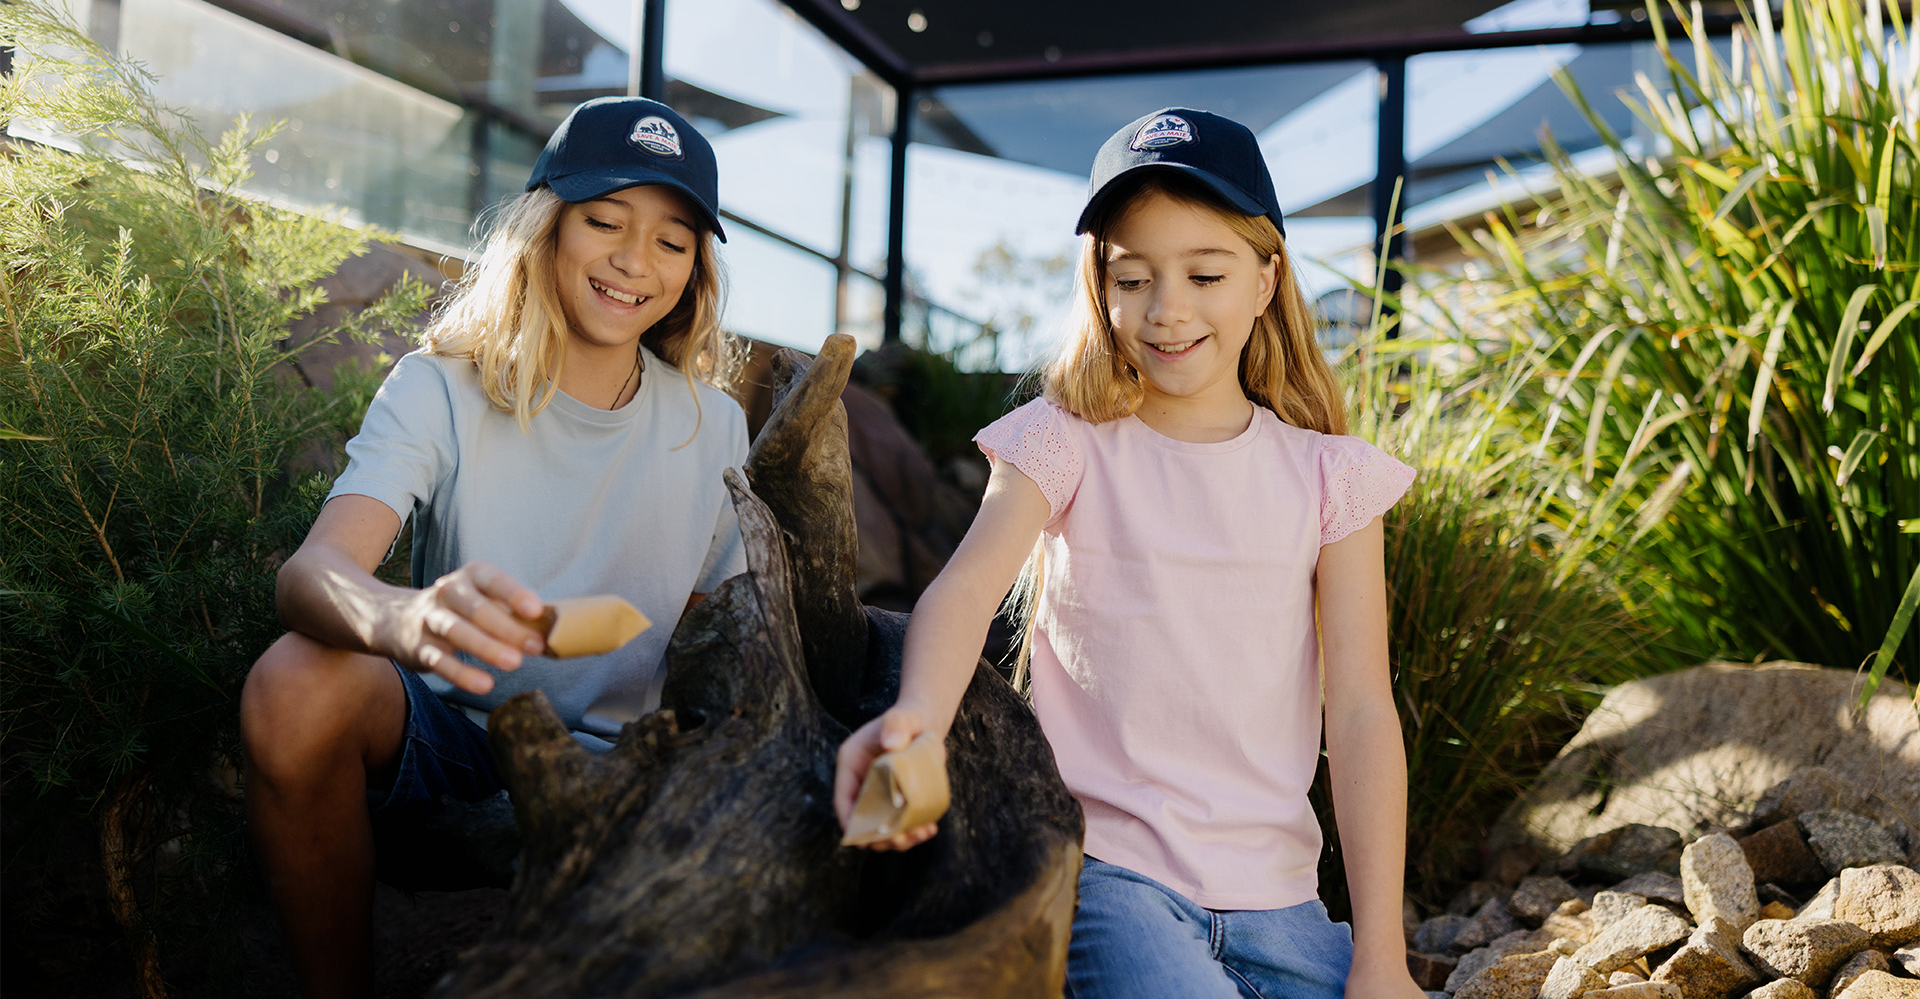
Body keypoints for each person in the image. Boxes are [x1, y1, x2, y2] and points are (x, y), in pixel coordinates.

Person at [833, 108, 1424, 999]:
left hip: (1285, 906)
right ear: (1100, 285)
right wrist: (914, 715)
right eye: (1133, 277)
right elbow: (961, 593)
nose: (1168, 309)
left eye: (1205, 273)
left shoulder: (1330, 478)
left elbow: (1363, 713)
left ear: (1266, 281)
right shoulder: (1063, 442)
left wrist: (1381, 955)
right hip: (1114, 880)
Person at [240, 96, 748, 999]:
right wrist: (405, 617)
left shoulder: (717, 427)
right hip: (454, 744)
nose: (636, 261)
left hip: (630, 769)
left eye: (674, 241)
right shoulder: (438, 388)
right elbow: (311, 576)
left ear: (695, 271)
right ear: (546, 228)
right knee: (293, 681)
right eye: (604, 221)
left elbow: (718, 639)